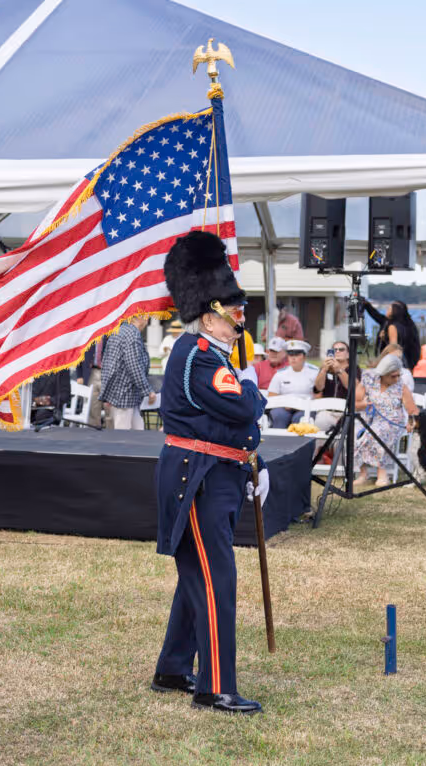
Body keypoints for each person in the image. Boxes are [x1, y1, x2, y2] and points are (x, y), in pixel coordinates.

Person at [151, 230, 268, 715]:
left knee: (197, 575)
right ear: (209, 315)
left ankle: (175, 667)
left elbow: (236, 422)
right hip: (197, 475)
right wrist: (251, 390)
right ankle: (216, 685)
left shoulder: (213, 354)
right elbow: (244, 408)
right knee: (216, 579)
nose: (241, 321)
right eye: (234, 314)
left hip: (214, 471)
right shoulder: (200, 356)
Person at [353, 353, 418, 488]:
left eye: (399, 374)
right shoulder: (368, 379)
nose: (397, 378)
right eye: (393, 376)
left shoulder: (401, 386)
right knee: (353, 431)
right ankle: (363, 473)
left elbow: (412, 410)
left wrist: (411, 422)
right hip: (368, 419)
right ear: (383, 373)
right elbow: (354, 404)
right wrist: (364, 405)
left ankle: (382, 474)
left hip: (392, 422)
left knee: (379, 432)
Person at [99, 315, 156, 430]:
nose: (148, 320)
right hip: (125, 394)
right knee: (123, 436)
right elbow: (134, 366)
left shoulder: (120, 330)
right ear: (142, 318)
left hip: (122, 393)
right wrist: (148, 390)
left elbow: (106, 362)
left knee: (137, 430)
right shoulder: (132, 334)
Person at [312, 340, 360, 439]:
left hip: (347, 413)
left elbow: (353, 387)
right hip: (327, 412)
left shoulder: (354, 368)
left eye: (341, 349)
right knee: (319, 424)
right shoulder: (325, 368)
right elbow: (318, 388)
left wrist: (339, 370)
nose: (337, 351)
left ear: (348, 354)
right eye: (334, 350)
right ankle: (320, 453)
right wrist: (324, 370)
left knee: (347, 438)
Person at [266, 339, 318, 428]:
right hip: (284, 407)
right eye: (290, 354)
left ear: (304, 357)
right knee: (278, 416)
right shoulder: (280, 374)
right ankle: (276, 442)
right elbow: (272, 396)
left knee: (299, 419)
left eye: (297, 354)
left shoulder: (314, 373)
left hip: (305, 408)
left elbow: (318, 396)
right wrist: (284, 404)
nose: (293, 358)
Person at [362, 299, 421, 370]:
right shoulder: (409, 325)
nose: (387, 309)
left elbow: (393, 347)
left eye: (389, 308)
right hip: (407, 362)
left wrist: (377, 362)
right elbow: (377, 316)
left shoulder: (392, 326)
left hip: (396, 361)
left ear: (394, 311)